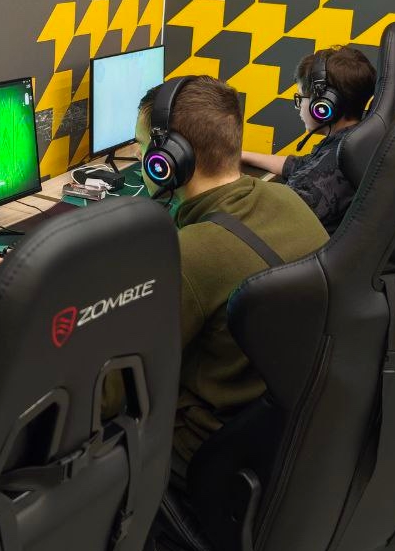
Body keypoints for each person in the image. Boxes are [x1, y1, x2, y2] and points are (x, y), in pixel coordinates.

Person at [135, 76, 329, 472]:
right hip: (287, 439)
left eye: (142, 146)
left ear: (167, 160)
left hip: (203, 452)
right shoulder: (288, 198)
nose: (139, 157)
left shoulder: (191, 255)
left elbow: (120, 383)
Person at [241, 45, 377, 233]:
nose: (298, 107)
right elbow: (300, 164)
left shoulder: (313, 184)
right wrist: (242, 155)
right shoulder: (353, 142)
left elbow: (259, 228)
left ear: (323, 106)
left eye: (300, 98)